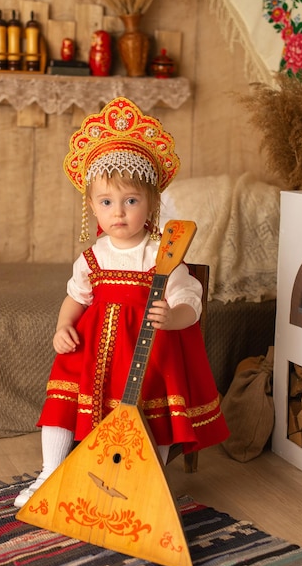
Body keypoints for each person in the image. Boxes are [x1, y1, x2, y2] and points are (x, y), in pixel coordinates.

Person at [14, 96, 229, 508]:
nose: (119, 212)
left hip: (145, 352)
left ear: (150, 205)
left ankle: (148, 476)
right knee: (62, 390)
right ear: (92, 206)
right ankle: (50, 471)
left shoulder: (160, 254)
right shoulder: (93, 257)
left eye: (131, 200)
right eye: (107, 202)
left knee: (153, 406)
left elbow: (189, 296)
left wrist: (175, 316)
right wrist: (63, 328)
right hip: (96, 351)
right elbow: (75, 298)